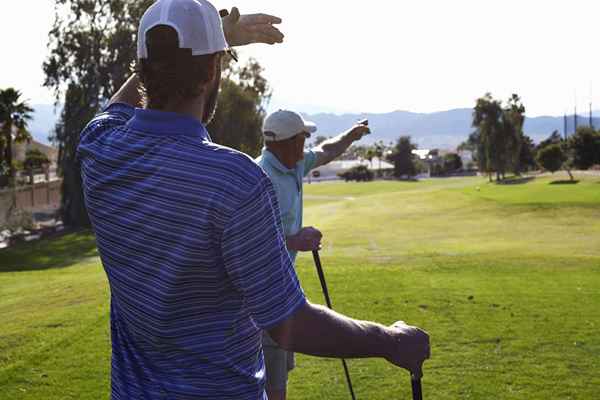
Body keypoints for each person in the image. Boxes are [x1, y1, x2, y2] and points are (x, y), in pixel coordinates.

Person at [77, 1, 430, 399]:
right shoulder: (234, 180)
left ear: (141, 70)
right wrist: (391, 340)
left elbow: (117, 108)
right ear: (213, 70)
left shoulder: (98, 147)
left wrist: (213, 39)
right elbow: (288, 322)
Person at [255, 111, 371, 399]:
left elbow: (327, 150)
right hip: (262, 297)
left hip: (284, 288)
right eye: (304, 138)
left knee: (278, 377)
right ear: (290, 142)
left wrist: (350, 134)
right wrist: (295, 239)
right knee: (272, 388)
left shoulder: (293, 164)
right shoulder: (258, 177)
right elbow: (250, 245)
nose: (307, 145)